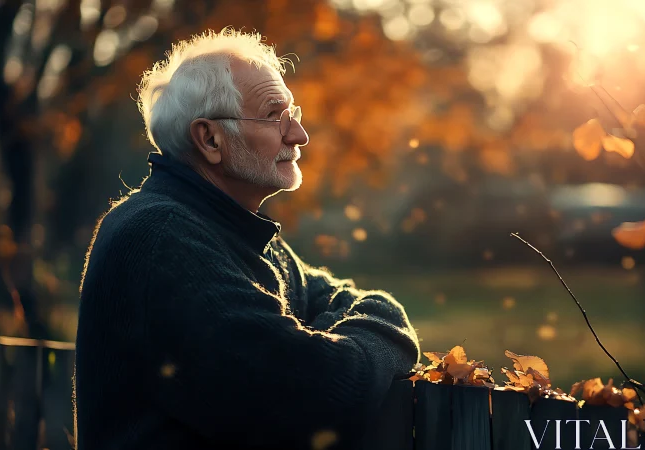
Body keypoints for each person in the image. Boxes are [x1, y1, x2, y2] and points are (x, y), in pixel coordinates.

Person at [73, 28, 420, 450]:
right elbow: (318, 395)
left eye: (294, 113)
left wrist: (324, 343)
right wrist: (371, 339)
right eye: (275, 115)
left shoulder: (235, 229)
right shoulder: (159, 237)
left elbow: (341, 302)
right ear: (210, 139)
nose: (298, 135)